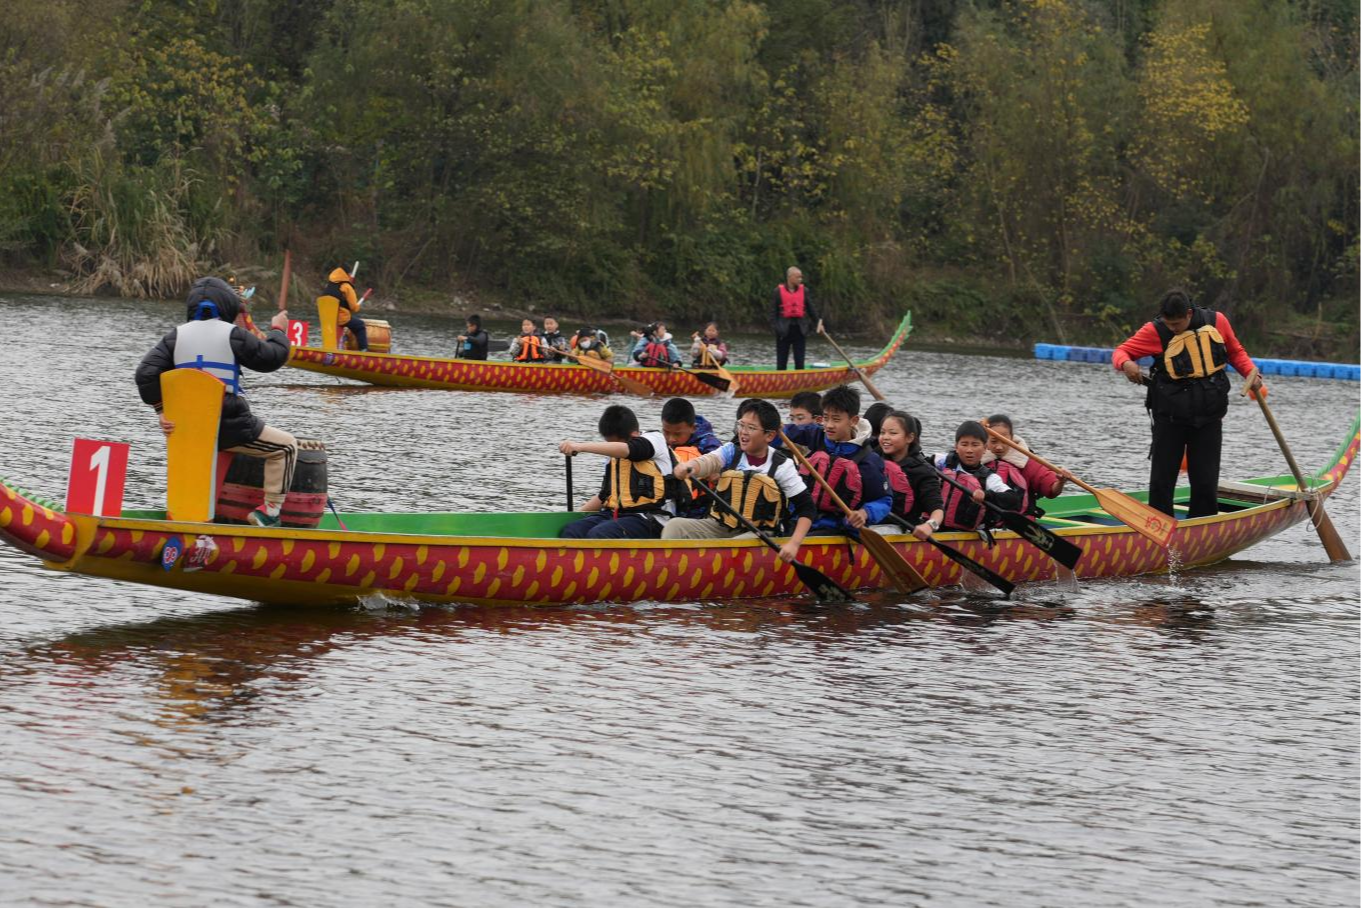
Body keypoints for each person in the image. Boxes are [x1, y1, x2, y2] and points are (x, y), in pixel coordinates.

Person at [135, 276, 298, 528]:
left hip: (188, 427)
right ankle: (269, 512)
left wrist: (161, 411)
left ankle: (196, 516)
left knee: (217, 454)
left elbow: (145, 374)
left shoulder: (174, 336)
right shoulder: (233, 334)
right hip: (229, 425)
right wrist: (278, 330)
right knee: (286, 447)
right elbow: (272, 358)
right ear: (226, 306)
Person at [1112, 288, 1263, 518]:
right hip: (1170, 416)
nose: (1173, 328)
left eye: (1177, 324)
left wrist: (1251, 373)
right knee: (1163, 479)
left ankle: (1202, 527)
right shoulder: (1155, 330)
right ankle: (1159, 525)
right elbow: (1121, 351)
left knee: (1205, 479)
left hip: (1209, 415)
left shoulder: (1217, 321)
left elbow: (1235, 352)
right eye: (1169, 323)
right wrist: (1126, 364)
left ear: (1189, 314)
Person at [663, 400, 816, 558]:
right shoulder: (731, 451)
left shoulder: (782, 466)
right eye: (741, 425)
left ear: (769, 435)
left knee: (735, 546)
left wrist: (794, 543)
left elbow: (807, 508)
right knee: (675, 526)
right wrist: (689, 467)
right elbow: (709, 461)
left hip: (760, 533)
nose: (743, 432)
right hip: (722, 526)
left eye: (751, 428)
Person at [558, 405, 684, 539]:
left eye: (614, 443)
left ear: (634, 435)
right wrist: (574, 516)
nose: (612, 449)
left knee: (600, 534)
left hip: (652, 518)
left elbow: (630, 450)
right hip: (617, 515)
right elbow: (604, 496)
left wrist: (580, 446)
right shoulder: (612, 454)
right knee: (572, 530)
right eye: (609, 443)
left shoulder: (655, 440)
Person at [779, 384, 891, 533]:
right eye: (826, 418)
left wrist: (864, 513)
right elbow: (785, 432)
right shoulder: (816, 435)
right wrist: (771, 427)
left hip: (837, 528)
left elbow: (884, 500)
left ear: (853, 421)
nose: (829, 425)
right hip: (799, 521)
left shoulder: (868, 460)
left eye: (836, 419)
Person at [934, 421, 1024, 531]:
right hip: (931, 526)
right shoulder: (942, 461)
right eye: (964, 444)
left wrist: (986, 495)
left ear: (985, 448)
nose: (969, 450)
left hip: (965, 533)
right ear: (956, 447)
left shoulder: (989, 478)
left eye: (975, 445)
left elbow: (1012, 499)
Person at [876, 411, 945, 540]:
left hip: (901, 529)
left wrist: (930, 526)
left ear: (909, 438)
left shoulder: (923, 471)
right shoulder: (873, 459)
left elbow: (937, 510)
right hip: (869, 520)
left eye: (893, 433)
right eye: (882, 432)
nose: (885, 437)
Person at [982, 414, 1067, 512]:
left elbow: (1052, 490)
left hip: (1019, 520)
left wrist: (1060, 482)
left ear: (1012, 438)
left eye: (1004, 441)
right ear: (985, 440)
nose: (999, 447)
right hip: (982, 522)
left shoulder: (1027, 461)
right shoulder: (975, 459)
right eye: (993, 441)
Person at [660, 397, 723, 519]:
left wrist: (715, 474)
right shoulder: (661, 442)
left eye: (677, 434)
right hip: (671, 505)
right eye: (666, 432)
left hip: (701, 510)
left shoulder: (709, 445)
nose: (671, 439)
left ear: (693, 428)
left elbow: (720, 470)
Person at [771, 266, 824, 370]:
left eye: (801, 277)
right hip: (783, 331)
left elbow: (811, 310)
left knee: (800, 362)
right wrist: (776, 328)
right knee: (781, 363)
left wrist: (819, 324)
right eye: (797, 277)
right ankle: (781, 383)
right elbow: (773, 313)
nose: (800, 279)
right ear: (790, 277)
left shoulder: (805, 291)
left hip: (800, 330)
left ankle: (799, 383)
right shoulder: (777, 292)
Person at [323, 265, 367, 351]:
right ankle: (363, 350)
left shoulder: (329, 285)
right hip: (341, 319)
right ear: (347, 274)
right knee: (360, 325)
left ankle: (340, 345)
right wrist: (357, 307)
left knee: (352, 323)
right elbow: (354, 307)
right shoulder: (347, 287)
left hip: (327, 319)